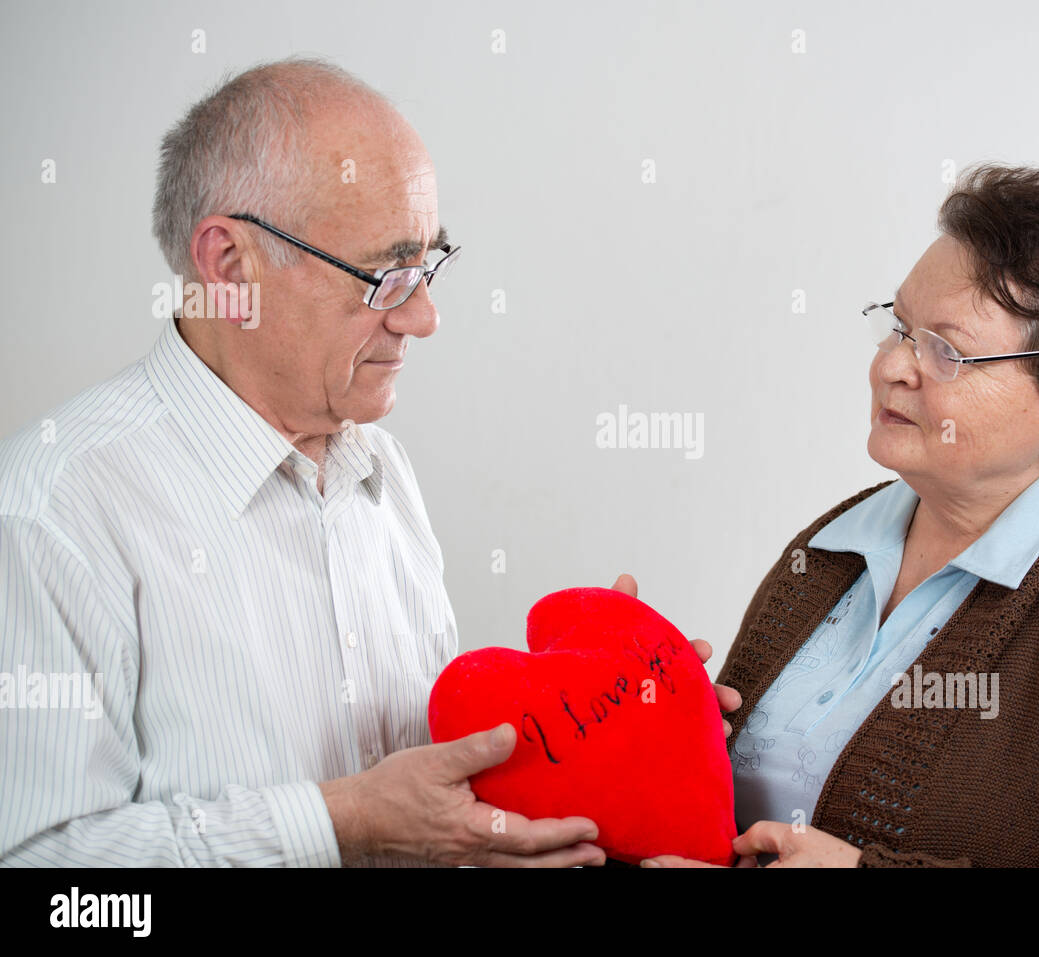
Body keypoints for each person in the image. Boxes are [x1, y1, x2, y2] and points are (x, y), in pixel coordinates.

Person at [0, 57, 736, 867]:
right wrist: (338, 823)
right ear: (229, 267)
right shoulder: (54, 509)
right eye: (386, 274)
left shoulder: (381, 472)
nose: (424, 315)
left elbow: (425, 802)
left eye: (430, 263)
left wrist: (615, 719)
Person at [644, 165, 1039, 868]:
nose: (892, 366)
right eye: (900, 326)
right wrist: (620, 737)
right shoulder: (828, 550)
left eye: (946, 349)